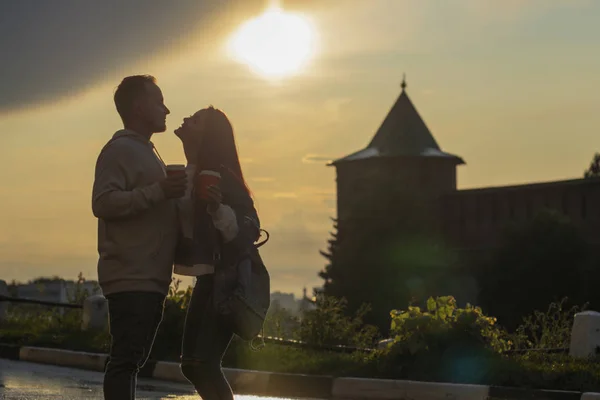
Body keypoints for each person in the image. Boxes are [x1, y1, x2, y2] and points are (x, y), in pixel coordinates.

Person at [92, 75, 194, 400]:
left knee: (131, 361)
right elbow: (103, 202)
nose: (166, 109)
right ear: (139, 107)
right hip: (131, 275)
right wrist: (160, 191)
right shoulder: (119, 150)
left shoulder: (148, 152)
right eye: (158, 101)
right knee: (126, 362)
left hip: (150, 276)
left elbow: (157, 207)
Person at [173, 106, 261, 400]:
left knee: (203, 364)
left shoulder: (222, 176)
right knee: (191, 364)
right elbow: (183, 219)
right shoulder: (193, 171)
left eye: (195, 120)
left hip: (224, 280)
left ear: (209, 135)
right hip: (207, 278)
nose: (186, 119)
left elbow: (248, 228)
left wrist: (217, 208)